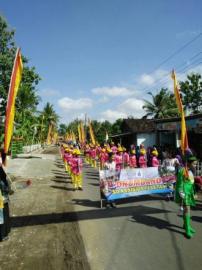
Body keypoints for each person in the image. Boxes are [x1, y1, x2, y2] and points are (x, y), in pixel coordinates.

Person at [175, 156, 198, 238]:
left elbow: (192, 183)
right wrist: (181, 193)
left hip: (189, 192)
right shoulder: (182, 171)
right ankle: (187, 229)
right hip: (184, 193)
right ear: (189, 163)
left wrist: (194, 192)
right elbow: (180, 183)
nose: (195, 166)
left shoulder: (191, 171)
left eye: (196, 164)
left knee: (188, 209)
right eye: (194, 164)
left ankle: (186, 225)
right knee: (187, 209)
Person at [0, 164, 11, 241]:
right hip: (2, 199)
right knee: (3, 216)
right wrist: (8, 190)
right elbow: (3, 184)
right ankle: (3, 235)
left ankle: (3, 234)